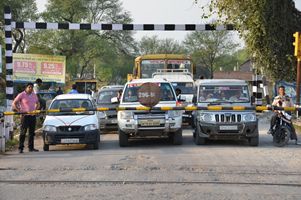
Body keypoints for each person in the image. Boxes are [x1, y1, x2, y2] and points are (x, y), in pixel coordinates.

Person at [12, 83, 40, 153]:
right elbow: (14, 103)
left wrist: (36, 109)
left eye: (32, 87)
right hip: (25, 116)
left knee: (31, 133)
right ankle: (20, 148)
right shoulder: (21, 94)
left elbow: (38, 103)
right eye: (29, 87)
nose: (31, 88)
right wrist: (19, 111)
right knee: (23, 133)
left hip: (32, 116)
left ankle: (31, 148)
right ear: (26, 88)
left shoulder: (34, 95)